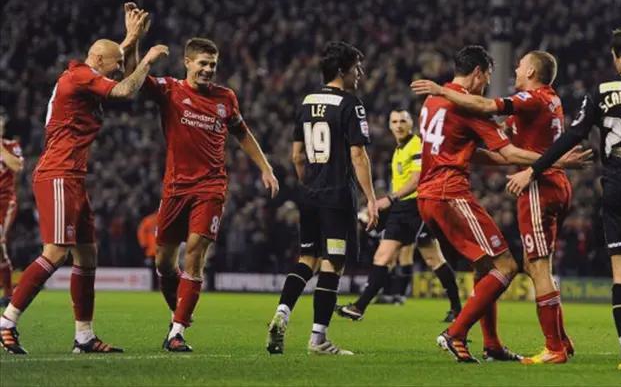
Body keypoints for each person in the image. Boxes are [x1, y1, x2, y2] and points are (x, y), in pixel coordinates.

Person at [0, 3, 168, 355]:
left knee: (87, 256)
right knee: (55, 252)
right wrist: (148, 60)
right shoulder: (78, 77)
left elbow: (113, 61)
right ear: (98, 60)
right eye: (116, 64)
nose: (120, 70)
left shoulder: (87, 72)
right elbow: (125, 90)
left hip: (74, 176)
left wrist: (131, 38)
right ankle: (7, 321)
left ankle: (84, 337)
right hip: (58, 173)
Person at [411, 45, 588, 363]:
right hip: (450, 193)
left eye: (519, 66)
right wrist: (558, 161)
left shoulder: (433, 101)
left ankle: (494, 344)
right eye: (488, 77)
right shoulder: (467, 105)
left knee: (491, 267)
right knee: (506, 265)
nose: (492, 82)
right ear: (478, 73)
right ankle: (456, 333)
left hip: (428, 196)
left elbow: (473, 151)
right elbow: (506, 151)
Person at [506, 28, 621, 371]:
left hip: (618, 190)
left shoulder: (602, 91)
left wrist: (534, 169)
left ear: (618, 58)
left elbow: (574, 135)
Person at [147, 37, 279, 353]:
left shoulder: (225, 97)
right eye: (203, 63)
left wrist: (265, 167)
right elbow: (136, 81)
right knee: (164, 263)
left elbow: (242, 133)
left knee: (195, 253)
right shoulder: (170, 90)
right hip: (175, 188)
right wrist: (138, 48)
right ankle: (178, 312)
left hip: (211, 187)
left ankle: (177, 331)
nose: (208, 69)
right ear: (187, 62)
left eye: (213, 65)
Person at [266, 41, 378, 356]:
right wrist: (371, 198)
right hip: (337, 196)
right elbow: (358, 155)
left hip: (310, 194)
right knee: (333, 263)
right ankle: (318, 339)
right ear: (342, 70)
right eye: (356, 67)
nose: (360, 73)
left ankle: (282, 312)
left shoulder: (306, 101)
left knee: (307, 259)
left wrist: (310, 184)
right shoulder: (351, 103)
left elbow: (297, 155)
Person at [335, 108, 461, 322]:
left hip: (414, 206)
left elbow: (416, 180)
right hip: (408, 207)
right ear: (389, 125)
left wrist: (390, 199)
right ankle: (457, 309)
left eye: (403, 121)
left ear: (411, 124)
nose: (399, 125)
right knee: (428, 258)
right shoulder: (399, 149)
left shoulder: (416, 144)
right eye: (394, 122)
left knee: (389, 257)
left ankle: (360, 307)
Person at [0, 111, 23, 307]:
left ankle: (9, 292)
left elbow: (17, 166)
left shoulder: (11, 145)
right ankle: (9, 293)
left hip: (5, 202)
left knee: (0, 241)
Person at [137, 211, 158, 289]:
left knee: (153, 270)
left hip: (152, 250)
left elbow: (141, 232)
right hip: (163, 250)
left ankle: (154, 286)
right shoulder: (166, 218)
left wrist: (144, 244)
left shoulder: (148, 220)